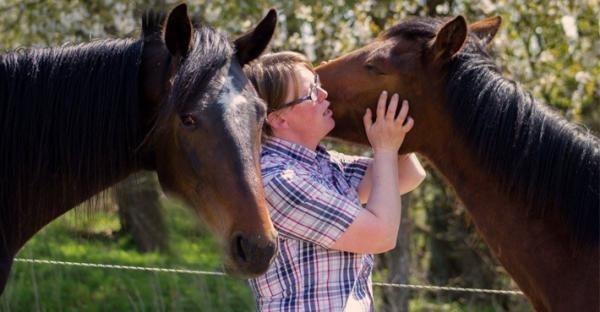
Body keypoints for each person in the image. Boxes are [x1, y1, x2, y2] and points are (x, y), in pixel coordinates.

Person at [243, 51, 426, 312]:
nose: (324, 95)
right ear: (277, 118)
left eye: (319, 84)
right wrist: (385, 147)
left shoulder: (323, 164)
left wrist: (385, 115)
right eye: (311, 93)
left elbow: (409, 175)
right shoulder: (277, 180)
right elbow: (381, 235)